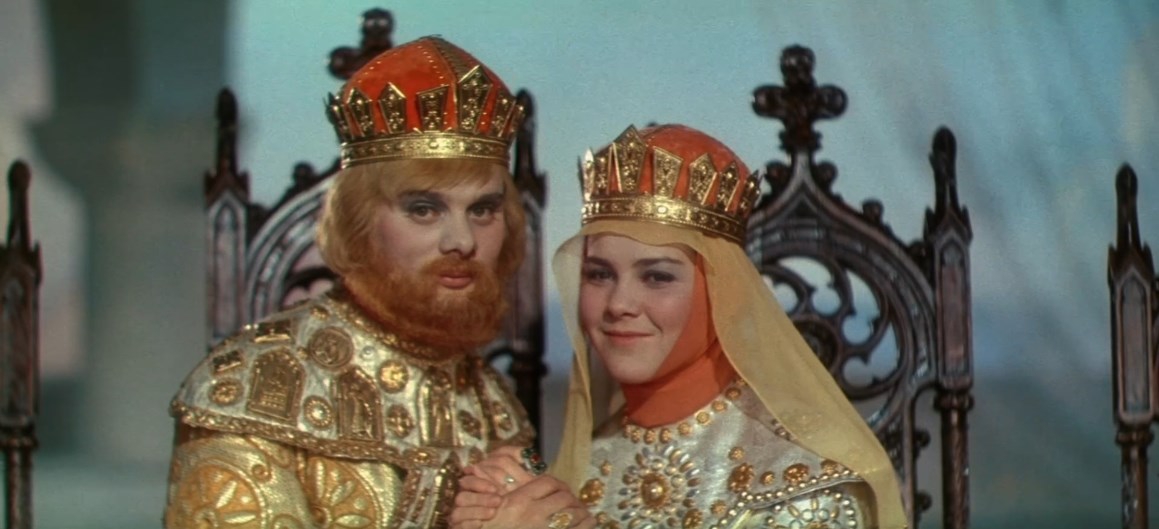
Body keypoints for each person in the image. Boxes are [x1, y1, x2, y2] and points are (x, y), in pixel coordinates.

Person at [163, 36, 565, 528]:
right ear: (359, 223)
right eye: (424, 209)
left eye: (482, 210)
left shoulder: (494, 404)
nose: (462, 241)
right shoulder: (244, 393)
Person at [454, 124, 907, 528]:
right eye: (599, 275)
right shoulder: (581, 466)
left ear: (723, 292)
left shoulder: (805, 487)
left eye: (657, 277)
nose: (619, 304)